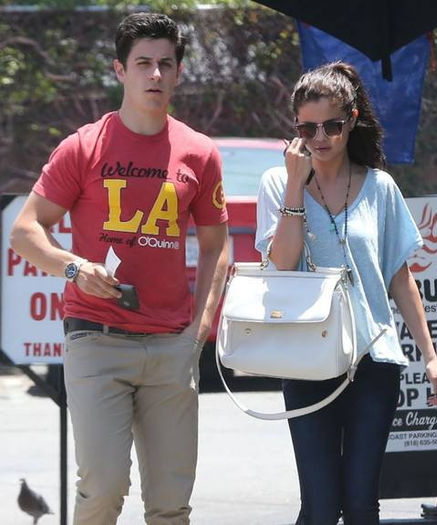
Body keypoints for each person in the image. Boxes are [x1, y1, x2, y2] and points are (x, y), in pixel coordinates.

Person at [10, 12, 229, 525]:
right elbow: (25, 231)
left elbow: (217, 248)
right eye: (143, 63)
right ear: (119, 70)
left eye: (165, 64)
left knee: (170, 506)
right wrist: (73, 269)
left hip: (172, 344)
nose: (155, 75)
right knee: (103, 490)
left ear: (178, 73)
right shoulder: (83, 147)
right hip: (96, 341)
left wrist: (196, 336)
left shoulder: (199, 153)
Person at [255, 61, 437, 525]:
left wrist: (430, 355)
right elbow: (281, 263)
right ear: (296, 129)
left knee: (362, 505)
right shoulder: (277, 184)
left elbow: (400, 278)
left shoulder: (380, 187)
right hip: (306, 359)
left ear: (353, 120)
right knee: (320, 507)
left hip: (374, 359)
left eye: (332, 125)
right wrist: (296, 190)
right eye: (308, 126)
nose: (320, 136)